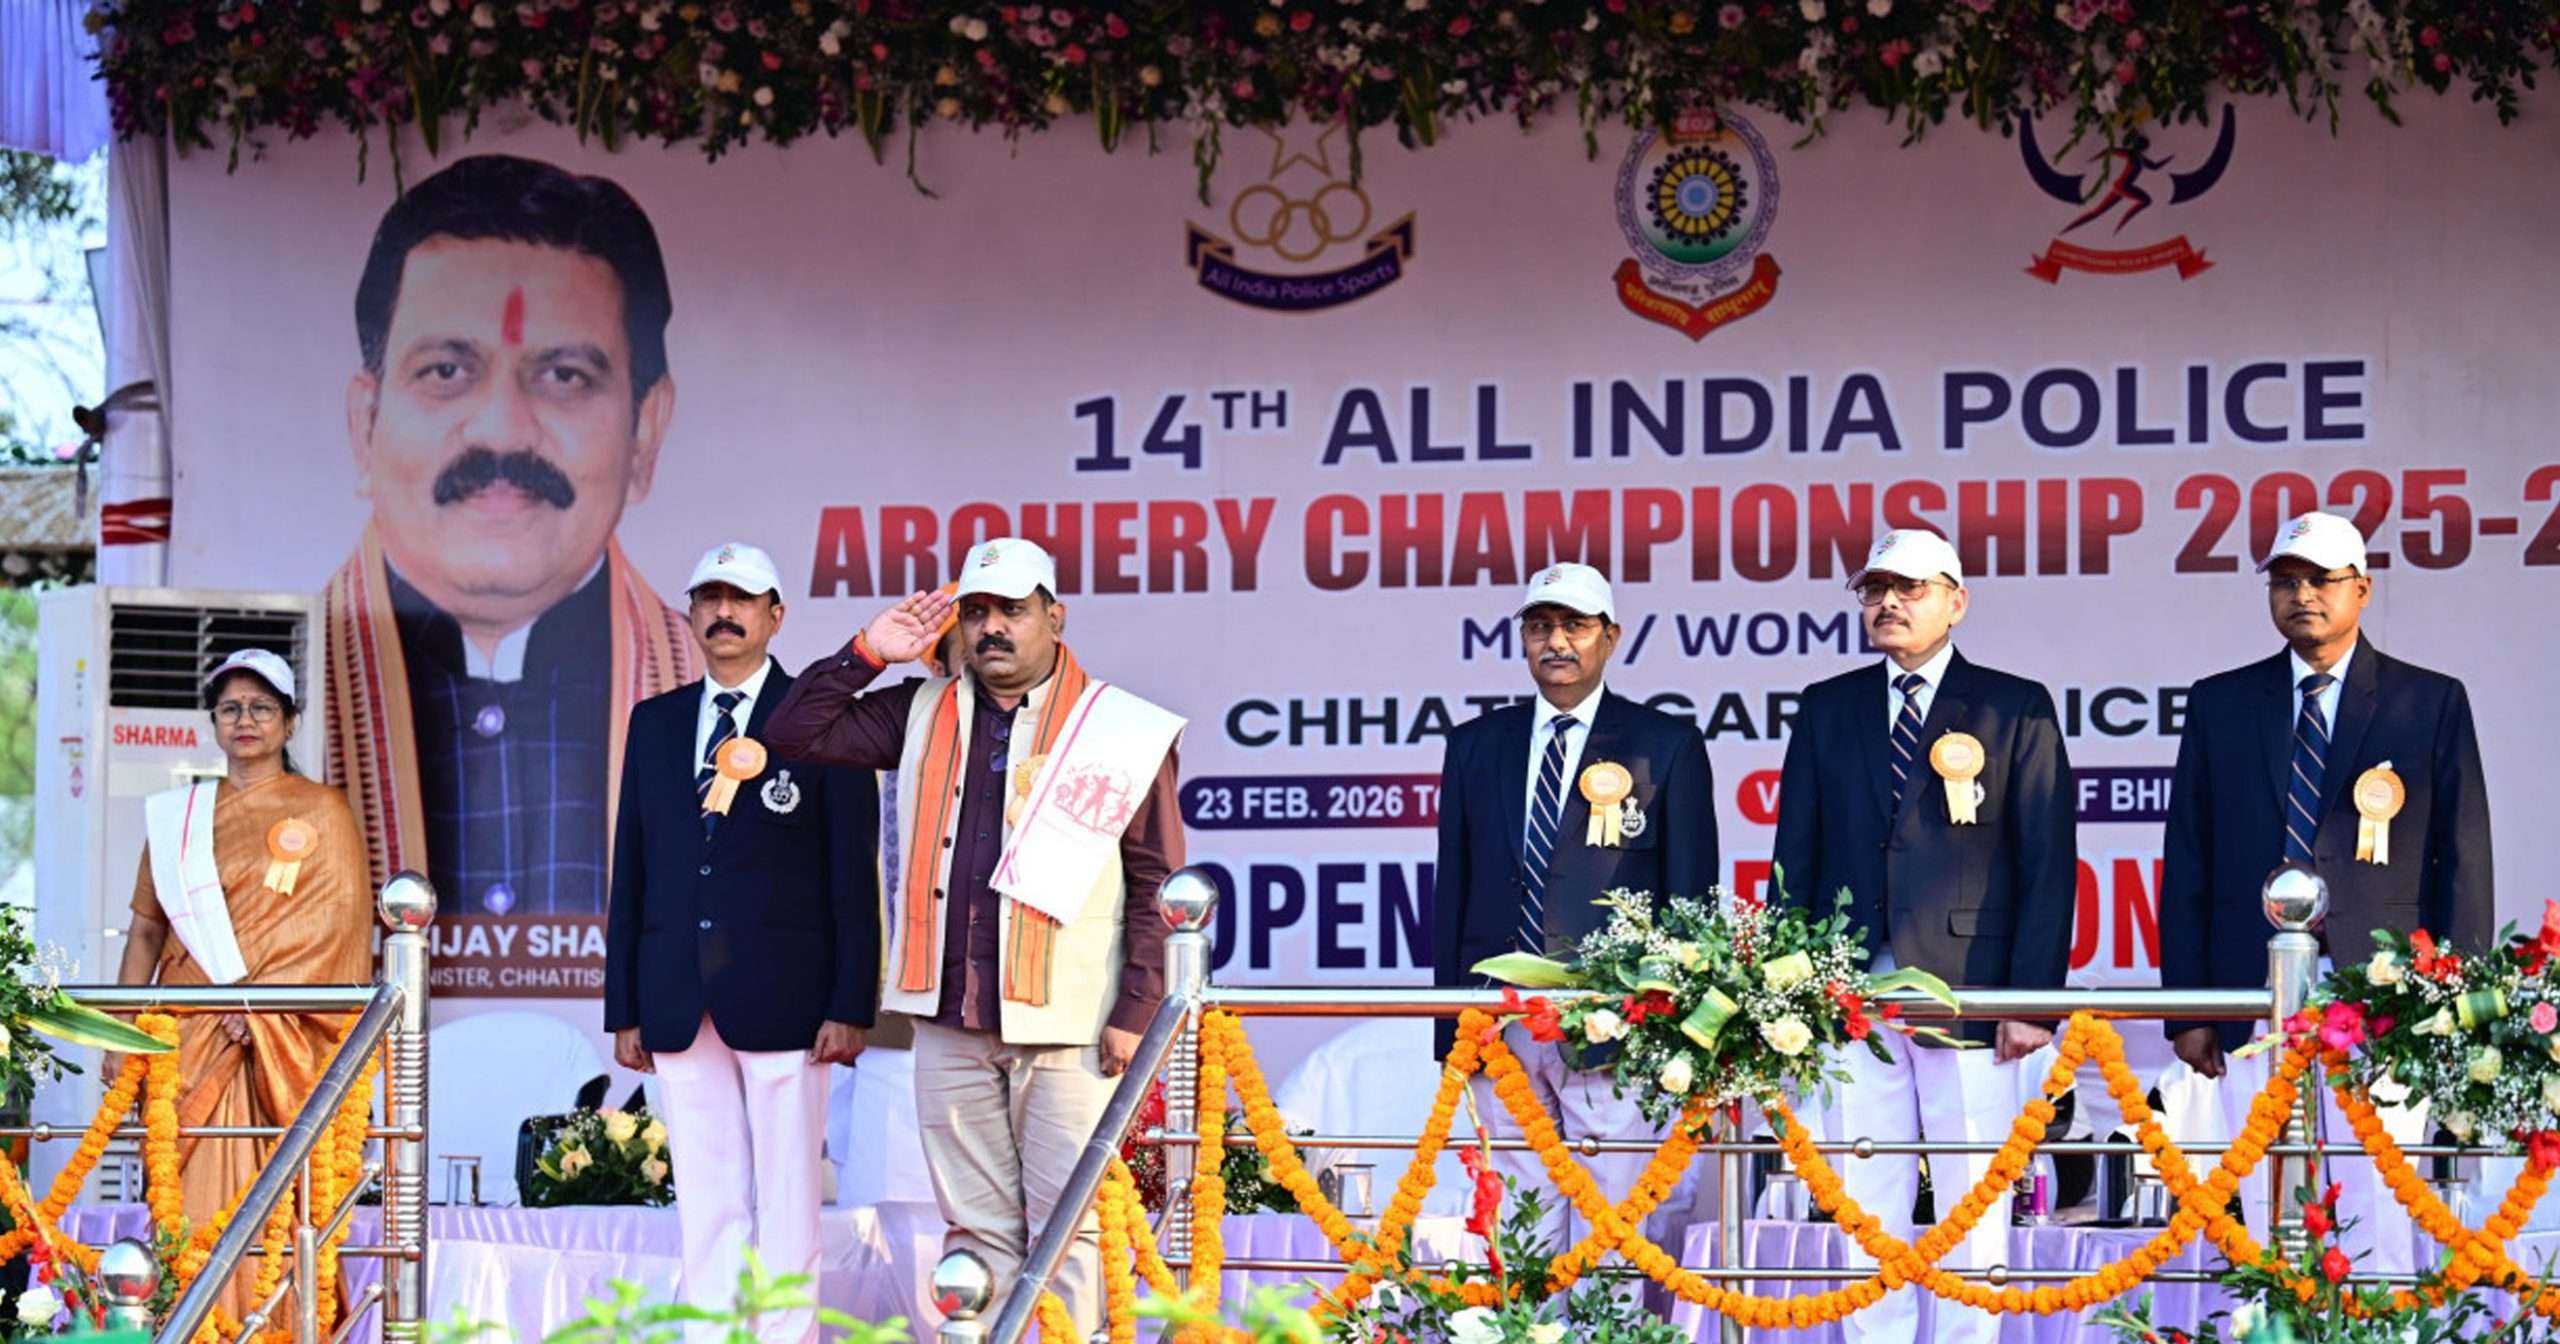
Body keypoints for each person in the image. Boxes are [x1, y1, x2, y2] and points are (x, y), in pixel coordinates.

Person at [763, 537, 1183, 1333]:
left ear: (1055, 617)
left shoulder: (1117, 730)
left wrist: (1136, 1010)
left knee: (1071, 1232)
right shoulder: (920, 709)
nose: (992, 628)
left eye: (1012, 610)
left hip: (1069, 1028)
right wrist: (867, 653)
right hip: (951, 1020)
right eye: (977, 612)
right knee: (974, 1237)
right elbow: (793, 732)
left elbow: (1157, 881)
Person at [323, 152, 697, 917]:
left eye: (564, 377)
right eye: (446, 371)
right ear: (365, 424)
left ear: (646, 431)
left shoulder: (728, 713)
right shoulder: (281, 697)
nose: (501, 429)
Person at [2160, 510, 2492, 1273]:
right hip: (2251, 996)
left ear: (2362, 590)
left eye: (2320, 579)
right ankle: (2275, 1321)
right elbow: (2189, 861)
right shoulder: (2220, 703)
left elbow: (2463, 862)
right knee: (2264, 1200)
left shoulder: (2428, 701)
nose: (2302, 594)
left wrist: (2458, 1009)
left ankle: (2379, 1323)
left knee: (2379, 1200)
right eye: (2285, 580)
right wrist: (2189, 1009)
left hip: (2389, 1002)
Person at [1772, 529, 2075, 1344]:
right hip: (1847, 993)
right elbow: (1795, 855)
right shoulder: (1828, 706)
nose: (1889, 603)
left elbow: (2048, 864)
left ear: (1956, 601)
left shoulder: (2015, 705)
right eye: (1875, 589)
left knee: (1972, 1199)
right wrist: (1789, 994)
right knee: (1861, 1201)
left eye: (1910, 588)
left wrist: (2031, 1003)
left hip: (1971, 988)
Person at [603, 542, 877, 1343]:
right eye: (710, 598)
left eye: (743, 599)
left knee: (789, 1200)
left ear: (775, 615)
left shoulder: (820, 717)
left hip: (791, 998)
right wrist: (626, 1006)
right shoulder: (655, 723)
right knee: (706, 1196)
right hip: (677, 994)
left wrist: (850, 1002)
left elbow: (853, 874)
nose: (724, 613)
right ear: (691, 614)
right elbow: (633, 868)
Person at [1431, 562, 1718, 1249]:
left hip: (1614, 1027)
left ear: (1610, 637)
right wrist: (1450, 1030)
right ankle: (1530, 1314)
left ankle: (1612, 1315)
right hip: (1500, 1025)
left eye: (1575, 626)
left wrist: (1678, 1031)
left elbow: (1690, 901)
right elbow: (1454, 893)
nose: (1556, 642)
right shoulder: (1475, 745)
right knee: (1517, 1222)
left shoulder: (1664, 744)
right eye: (1540, 627)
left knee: (1614, 1218)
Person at [117, 649, 373, 1315]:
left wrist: (263, 1008)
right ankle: (191, 1322)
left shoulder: (324, 812)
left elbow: (339, 927)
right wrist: (119, 1033)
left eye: (261, 707)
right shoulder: (177, 819)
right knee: (186, 1204)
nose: (245, 720)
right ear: (213, 723)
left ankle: (272, 1325)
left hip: (280, 1047)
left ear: (289, 723)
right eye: (231, 708)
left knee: (278, 1204)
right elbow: (145, 932)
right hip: (188, 1038)